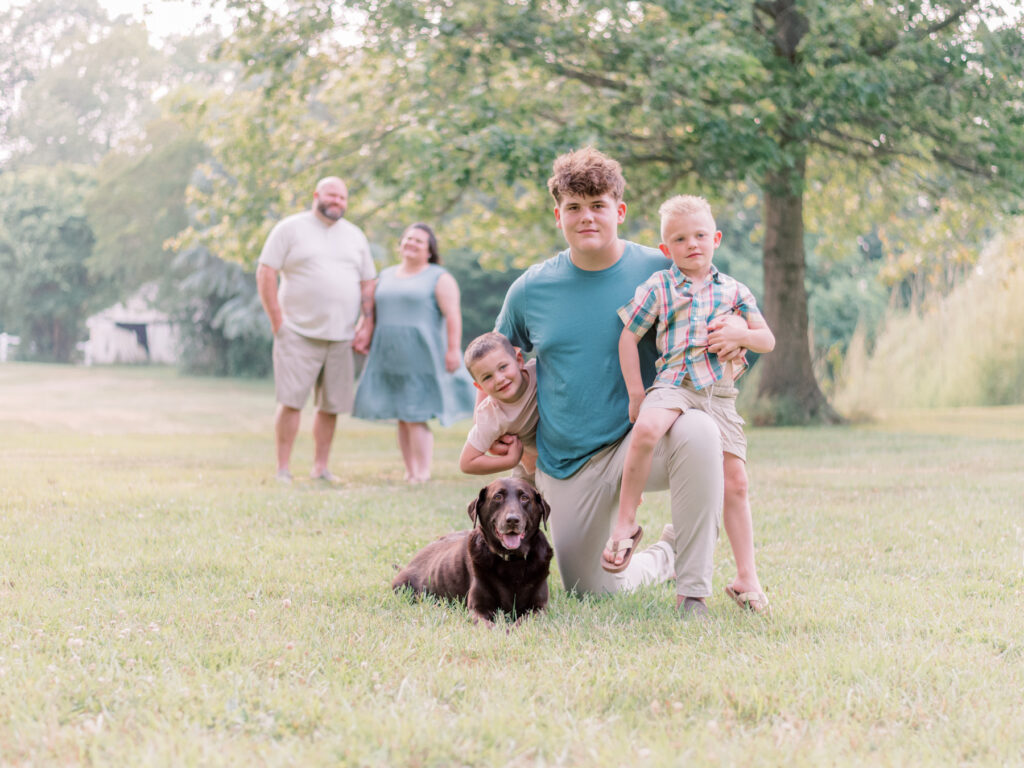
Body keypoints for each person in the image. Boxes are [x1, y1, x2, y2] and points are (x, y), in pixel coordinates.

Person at [492, 147, 725, 617]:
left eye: (597, 205)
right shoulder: (531, 289)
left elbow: (721, 323)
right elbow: (495, 363)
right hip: (568, 461)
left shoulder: (664, 270)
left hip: (645, 437)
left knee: (700, 432)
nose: (586, 217)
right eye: (573, 208)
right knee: (589, 589)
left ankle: (694, 592)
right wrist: (501, 428)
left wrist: (736, 339)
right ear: (558, 215)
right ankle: (665, 556)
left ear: (618, 210)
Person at [604, 194, 775, 614]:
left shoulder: (734, 290)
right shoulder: (660, 286)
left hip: (719, 394)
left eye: (700, 235)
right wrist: (636, 393)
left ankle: (746, 577)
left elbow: (766, 340)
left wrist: (741, 337)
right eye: (680, 239)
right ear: (666, 250)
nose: (692, 244)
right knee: (645, 429)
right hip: (674, 385)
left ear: (715, 238)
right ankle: (627, 521)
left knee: (736, 483)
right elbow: (628, 335)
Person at [256, 175, 376, 484]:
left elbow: (367, 282)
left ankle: (320, 468)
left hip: (341, 335)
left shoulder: (354, 235)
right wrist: (277, 321)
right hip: (296, 331)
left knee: (331, 405)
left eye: (343, 198)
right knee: (291, 401)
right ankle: (283, 468)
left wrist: (367, 322)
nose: (338, 202)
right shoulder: (290, 228)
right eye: (332, 196)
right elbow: (266, 271)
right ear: (316, 195)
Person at [352, 223, 476, 483]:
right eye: (408, 239)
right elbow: (371, 313)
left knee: (416, 413)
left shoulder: (439, 277)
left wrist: (453, 350)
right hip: (389, 355)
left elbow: (453, 315)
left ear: (429, 250)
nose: (411, 243)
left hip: (423, 355)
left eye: (419, 241)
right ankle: (410, 471)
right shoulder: (385, 275)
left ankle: (422, 472)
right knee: (402, 415)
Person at [459, 331, 538, 482]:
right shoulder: (491, 415)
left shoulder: (539, 372)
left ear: (519, 360)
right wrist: (509, 461)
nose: (499, 379)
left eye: (503, 367)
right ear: (480, 387)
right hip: (530, 472)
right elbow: (467, 463)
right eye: (487, 377)